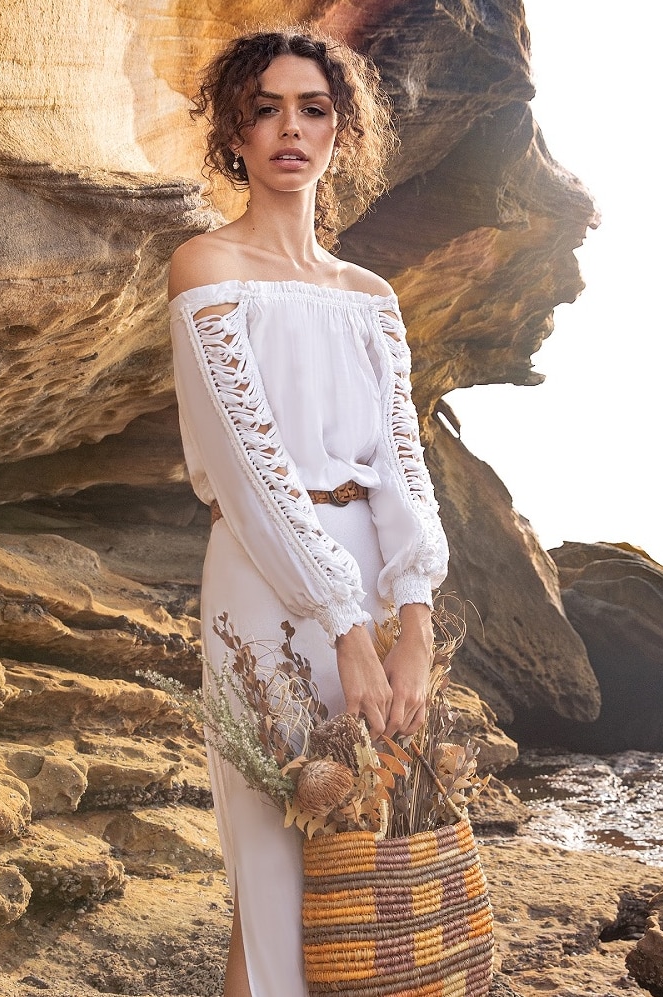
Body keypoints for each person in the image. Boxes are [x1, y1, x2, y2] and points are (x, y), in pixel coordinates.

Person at [167, 27, 449, 997]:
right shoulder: (205, 268)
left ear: (342, 128)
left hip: (369, 572)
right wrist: (345, 629)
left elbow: (402, 465)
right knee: (274, 868)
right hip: (260, 579)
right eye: (266, 107)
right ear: (234, 134)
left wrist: (410, 623)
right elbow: (252, 470)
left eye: (313, 107)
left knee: (359, 859)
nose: (291, 128)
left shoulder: (370, 297)